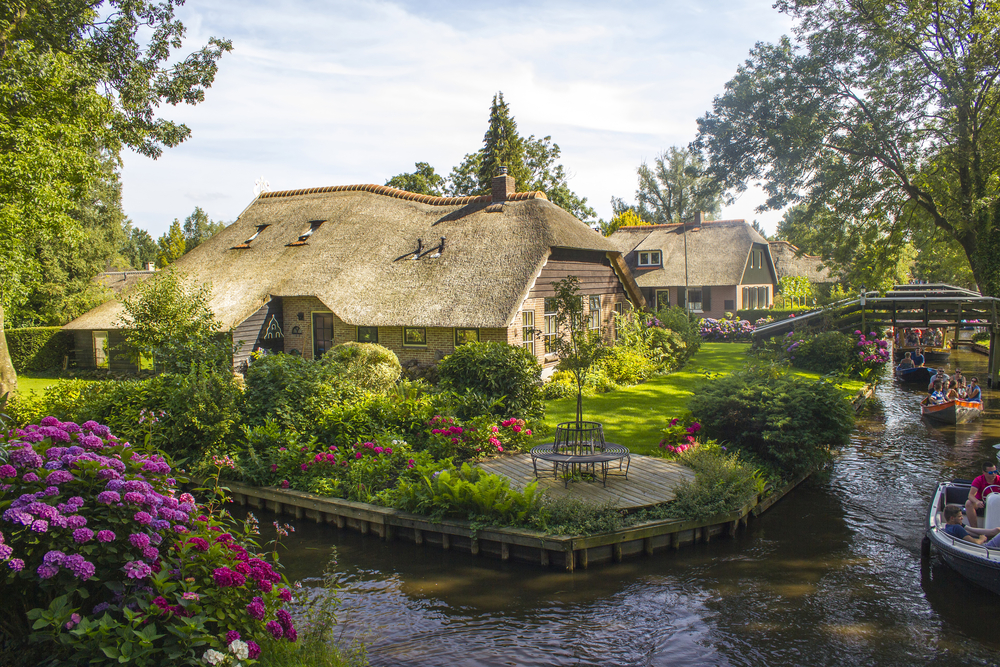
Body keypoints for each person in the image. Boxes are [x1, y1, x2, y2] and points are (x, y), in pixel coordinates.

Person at [965, 462, 1000, 528]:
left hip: (997, 504)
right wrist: (977, 501)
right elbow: (970, 495)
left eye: (995, 472)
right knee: (969, 503)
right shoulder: (978, 480)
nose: (993, 474)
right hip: (982, 503)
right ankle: (975, 529)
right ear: (984, 472)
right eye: (990, 473)